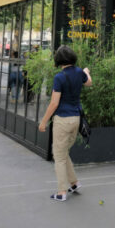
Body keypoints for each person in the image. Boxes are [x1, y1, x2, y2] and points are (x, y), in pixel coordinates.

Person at [38, 45, 92, 201]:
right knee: (63, 152)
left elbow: (54, 103)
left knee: (59, 156)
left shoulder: (59, 77)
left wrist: (43, 122)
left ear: (59, 60)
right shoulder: (79, 72)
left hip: (62, 120)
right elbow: (88, 83)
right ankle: (74, 183)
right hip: (76, 119)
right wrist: (87, 72)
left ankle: (62, 192)